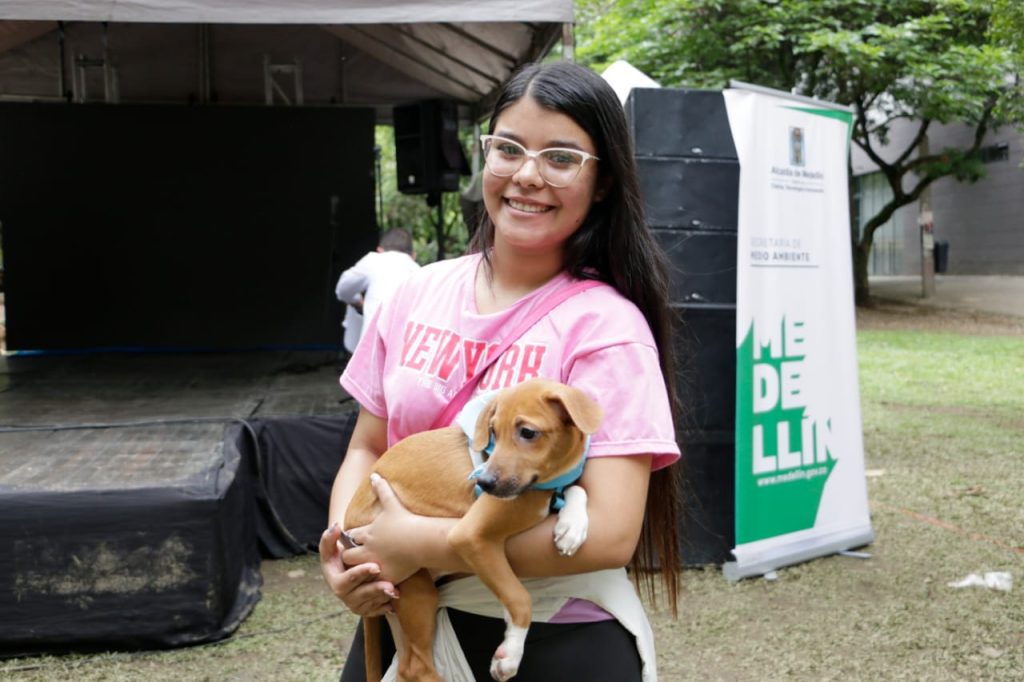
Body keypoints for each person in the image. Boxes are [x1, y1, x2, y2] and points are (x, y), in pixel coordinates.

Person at [321, 61, 681, 682]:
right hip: (406, 611)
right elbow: (367, 447)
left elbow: (612, 535)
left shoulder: (607, 328)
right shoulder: (416, 293)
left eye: (562, 157)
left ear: (602, 182)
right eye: (508, 148)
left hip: (554, 637)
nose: (528, 175)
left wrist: (415, 544)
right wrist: (351, 555)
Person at [335, 228, 420, 353]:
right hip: (406, 353)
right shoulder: (419, 271)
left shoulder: (373, 260)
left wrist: (357, 301)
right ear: (413, 256)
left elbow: (343, 289)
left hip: (373, 350)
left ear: (380, 250)